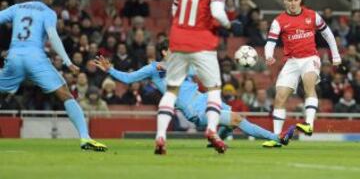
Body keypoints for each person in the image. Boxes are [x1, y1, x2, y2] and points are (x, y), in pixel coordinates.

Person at [93, 42, 296, 153]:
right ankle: (276, 138)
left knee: (232, 117)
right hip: (193, 109)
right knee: (237, 119)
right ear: (164, 51)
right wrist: (110, 69)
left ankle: (215, 140)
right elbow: (129, 78)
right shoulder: (153, 69)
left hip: (204, 98)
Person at [0, 0, 107, 152]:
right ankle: (85, 138)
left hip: (14, 56)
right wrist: (68, 62)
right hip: (35, 58)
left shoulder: (17, 7)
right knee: (65, 94)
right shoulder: (48, 12)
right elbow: (53, 37)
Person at [156, 0, 240, 155]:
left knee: (171, 90)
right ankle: (212, 130)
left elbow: (175, 11)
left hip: (177, 40)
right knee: (213, 89)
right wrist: (229, 25)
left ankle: (160, 136)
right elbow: (217, 13)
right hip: (202, 42)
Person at [263, 0, 341, 147]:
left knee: (308, 85)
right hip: (291, 62)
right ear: (284, 1)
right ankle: (277, 138)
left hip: (310, 58)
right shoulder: (279, 21)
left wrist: (335, 54)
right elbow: (270, 42)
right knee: (279, 97)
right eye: (289, 0)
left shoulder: (312, 16)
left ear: (300, 0)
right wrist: (269, 55)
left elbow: (328, 34)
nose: (293, 3)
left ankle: (309, 124)